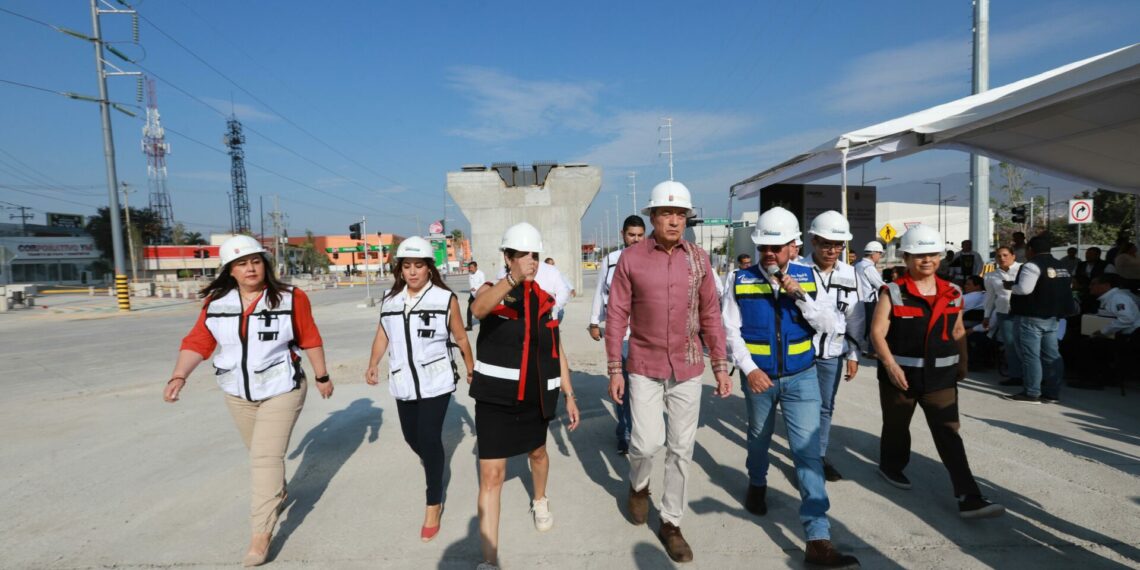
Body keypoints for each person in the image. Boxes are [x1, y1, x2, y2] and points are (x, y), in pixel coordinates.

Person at [163, 234, 334, 567]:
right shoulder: (216, 301)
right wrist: (178, 376)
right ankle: (277, 493)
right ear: (230, 270)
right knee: (259, 454)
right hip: (237, 393)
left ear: (264, 264)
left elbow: (309, 336)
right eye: (242, 263)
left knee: (265, 457)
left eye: (255, 261)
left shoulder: (289, 297)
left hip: (282, 387)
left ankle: (261, 534)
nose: (251, 268)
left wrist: (322, 375)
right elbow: (199, 341)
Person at [722, 208, 858, 568]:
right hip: (759, 379)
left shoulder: (809, 278)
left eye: (777, 248)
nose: (770, 254)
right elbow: (729, 332)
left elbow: (832, 326)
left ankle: (817, 538)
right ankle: (757, 481)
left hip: (802, 377)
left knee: (807, 453)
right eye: (764, 247)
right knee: (758, 439)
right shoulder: (739, 279)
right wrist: (749, 369)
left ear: (794, 247)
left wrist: (799, 295)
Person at [605, 180, 732, 563]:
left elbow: (711, 313)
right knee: (644, 443)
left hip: (689, 365)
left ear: (687, 218)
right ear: (653, 216)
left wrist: (721, 366)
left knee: (681, 448)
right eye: (667, 213)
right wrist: (614, 368)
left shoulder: (699, 258)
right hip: (643, 364)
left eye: (681, 214)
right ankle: (639, 486)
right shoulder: (631, 259)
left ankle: (671, 522)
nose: (674, 220)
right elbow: (616, 316)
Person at [870, 224, 1005, 520]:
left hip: (941, 380)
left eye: (932, 254)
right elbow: (877, 333)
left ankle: (969, 496)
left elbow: (958, 330)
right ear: (906, 258)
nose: (926, 260)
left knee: (948, 433)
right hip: (900, 379)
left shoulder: (953, 292)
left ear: (941, 256)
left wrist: (963, 362)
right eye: (919, 255)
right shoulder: (892, 292)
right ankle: (890, 466)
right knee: (896, 428)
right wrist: (890, 366)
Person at [469, 222, 580, 570]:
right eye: (522, 255)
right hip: (495, 400)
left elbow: (555, 346)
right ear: (507, 257)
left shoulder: (545, 300)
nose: (530, 261)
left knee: (538, 453)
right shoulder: (493, 291)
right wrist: (512, 280)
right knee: (492, 477)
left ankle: (540, 499)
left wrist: (569, 391)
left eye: (533, 255)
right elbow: (478, 310)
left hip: (535, 396)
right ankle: (489, 560)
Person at [364, 237, 474, 542]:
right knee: (413, 438)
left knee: (428, 437)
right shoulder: (389, 300)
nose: (412, 272)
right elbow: (383, 335)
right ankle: (432, 459)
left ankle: (433, 502)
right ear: (400, 269)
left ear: (429, 268)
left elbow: (461, 338)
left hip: (436, 381)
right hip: (403, 381)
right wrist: (374, 362)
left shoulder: (444, 298)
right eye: (407, 266)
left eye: (419, 266)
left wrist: (470, 367)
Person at [804, 210, 864, 482]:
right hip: (800, 354)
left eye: (837, 244)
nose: (831, 250)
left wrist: (854, 354)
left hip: (832, 354)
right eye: (826, 243)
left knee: (825, 406)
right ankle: (804, 459)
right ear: (814, 241)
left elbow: (855, 318)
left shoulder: (851, 274)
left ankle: (817, 457)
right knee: (803, 407)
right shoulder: (798, 270)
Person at [588, 214, 646, 454]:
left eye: (640, 236)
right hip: (619, 334)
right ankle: (624, 432)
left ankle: (639, 432)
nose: (636, 240)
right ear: (623, 235)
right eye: (631, 235)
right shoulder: (611, 260)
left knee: (641, 388)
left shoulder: (651, 259)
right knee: (622, 385)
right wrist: (593, 322)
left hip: (645, 335)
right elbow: (600, 290)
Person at [1004, 235, 1073, 404]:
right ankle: (1052, 393)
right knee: (1052, 355)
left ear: (1030, 250)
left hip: (1032, 317)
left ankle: (1032, 392)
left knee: (1030, 356)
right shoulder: (1061, 265)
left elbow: (1025, 289)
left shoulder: (1032, 265)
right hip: (1053, 317)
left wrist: (1010, 286)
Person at [1073, 274, 1140, 390]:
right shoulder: (1111, 298)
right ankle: (1103, 376)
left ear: (1106, 286)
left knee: (1087, 344)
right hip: (1120, 335)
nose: (1090, 287)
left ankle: (1093, 379)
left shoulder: (1118, 298)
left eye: (1093, 284)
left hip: (1129, 337)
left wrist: (1103, 331)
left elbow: (1127, 319)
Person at [982, 247, 1024, 385]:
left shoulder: (1024, 269)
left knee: (1026, 344)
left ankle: (1033, 376)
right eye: (999, 256)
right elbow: (990, 297)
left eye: (1005, 255)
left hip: (1023, 312)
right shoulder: (990, 275)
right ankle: (1016, 375)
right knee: (1010, 345)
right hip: (1004, 312)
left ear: (1013, 256)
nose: (1002, 258)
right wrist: (987, 316)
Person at [855, 241, 885, 351]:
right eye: (880, 254)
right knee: (873, 327)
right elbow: (880, 286)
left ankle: (863, 349)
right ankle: (872, 351)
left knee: (863, 326)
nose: (880, 256)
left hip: (859, 300)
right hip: (870, 302)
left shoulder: (858, 265)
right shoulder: (869, 267)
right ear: (874, 254)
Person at [543, 257, 576, 322]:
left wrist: (572, 289)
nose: (552, 265)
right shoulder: (541, 273)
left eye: (553, 264)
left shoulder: (556, 272)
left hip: (556, 298)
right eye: (550, 264)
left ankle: (555, 326)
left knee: (560, 314)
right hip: (545, 298)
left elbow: (564, 279)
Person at [466, 261, 485, 331]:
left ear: (476, 267)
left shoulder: (481, 274)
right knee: (469, 309)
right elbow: (471, 284)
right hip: (472, 294)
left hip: (479, 294)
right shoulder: (470, 274)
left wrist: (476, 288)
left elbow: (482, 283)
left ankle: (483, 324)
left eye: (471, 267)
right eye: (469, 267)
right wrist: (472, 290)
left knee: (480, 310)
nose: (470, 269)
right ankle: (469, 326)